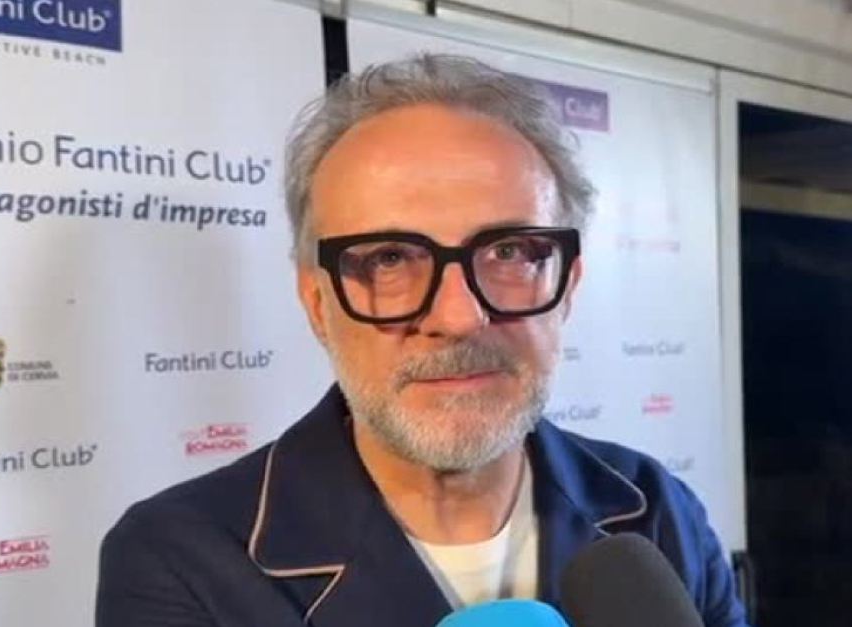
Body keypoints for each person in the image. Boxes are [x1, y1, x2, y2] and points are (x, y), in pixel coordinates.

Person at [96, 53, 749, 627]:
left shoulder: (657, 508)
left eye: (509, 251)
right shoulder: (181, 558)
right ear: (318, 303)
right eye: (388, 259)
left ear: (567, 284)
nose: (459, 316)